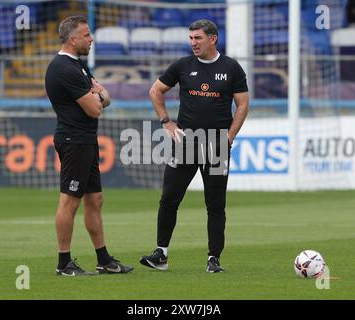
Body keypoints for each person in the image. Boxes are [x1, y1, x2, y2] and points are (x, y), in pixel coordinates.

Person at [140, 20, 249, 273]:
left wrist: (230, 137)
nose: (193, 43)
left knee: (215, 205)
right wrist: (166, 122)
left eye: (198, 38)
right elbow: (155, 91)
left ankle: (214, 258)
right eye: (190, 38)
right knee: (169, 198)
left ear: (213, 39)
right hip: (185, 143)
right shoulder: (182, 65)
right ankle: (161, 254)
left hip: (216, 146)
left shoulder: (231, 67)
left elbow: (243, 105)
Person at [45, 15, 133, 276]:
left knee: (95, 199)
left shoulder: (78, 66)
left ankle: (103, 260)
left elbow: (104, 99)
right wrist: (99, 95)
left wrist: (100, 96)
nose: (91, 39)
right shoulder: (64, 68)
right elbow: (97, 107)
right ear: (73, 39)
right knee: (70, 201)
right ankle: (63, 263)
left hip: (85, 140)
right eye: (86, 35)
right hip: (74, 140)